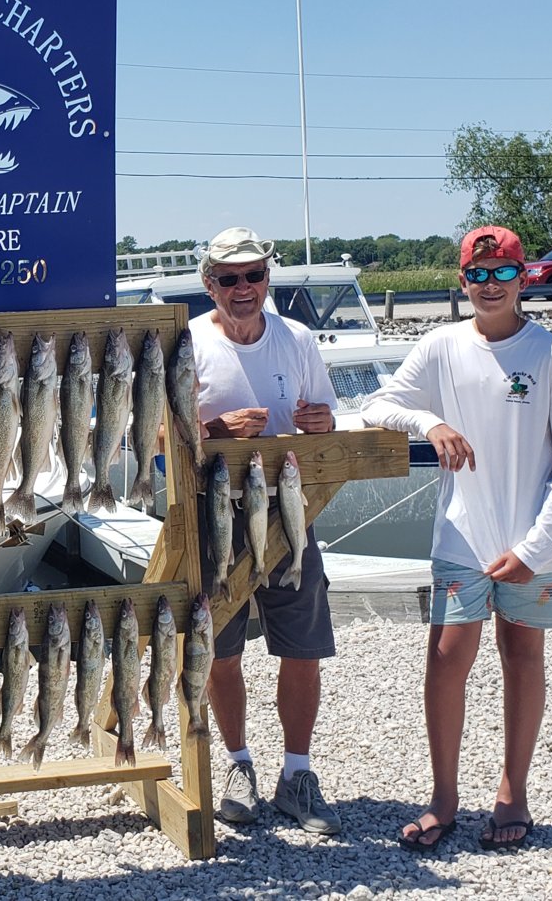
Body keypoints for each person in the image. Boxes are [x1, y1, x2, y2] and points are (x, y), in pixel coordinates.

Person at [359, 225, 552, 852]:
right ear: (463, 281)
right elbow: (378, 405)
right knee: (445, 659)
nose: (491, 285)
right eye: (479, 275)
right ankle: (443, 796)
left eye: (504, 273)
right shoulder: (440, 345)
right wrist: (428, 422)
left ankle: (513, 794)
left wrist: (536, 549)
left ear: (524, 278)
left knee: (523, 657)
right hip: (461, 539)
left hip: (532, 544)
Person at [190, 226, 345, 834]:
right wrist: (215, 431)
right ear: (210, 284)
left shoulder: (297, 339)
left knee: (303, 650)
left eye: (253, 275)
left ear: (267, 279)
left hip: (291, 514)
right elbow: (156, 438)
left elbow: (326, 424)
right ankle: (237, 764)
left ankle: (297, 774)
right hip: (213, 514)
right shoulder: (187, 342)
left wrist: (322, 422)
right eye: (229, 278)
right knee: (220, 651)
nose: (243, 287)